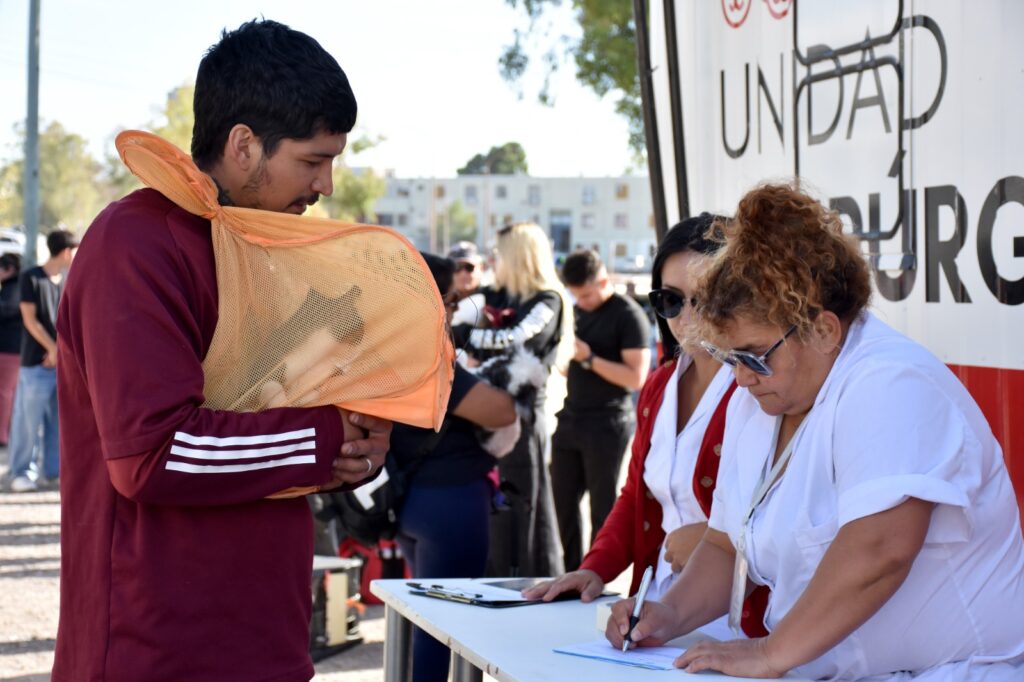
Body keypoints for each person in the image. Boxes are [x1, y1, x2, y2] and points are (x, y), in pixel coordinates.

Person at [53, 20, 393, 681]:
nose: (325, 185)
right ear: (243, 145)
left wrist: (354, 447)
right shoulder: (136, 242)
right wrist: (328, 438)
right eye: (313, 160)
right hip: (155, 649)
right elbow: (150, 453)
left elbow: (273, 419)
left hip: (263, 637)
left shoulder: (259, 248)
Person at [606, 184, 1024, 680]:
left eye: (755, 355)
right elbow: (725, 544)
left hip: (954, 672)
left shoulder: (890, 382)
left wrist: (770, 652)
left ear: (823, 330)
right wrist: (669, 614)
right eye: (731, 357)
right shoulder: (762, 399)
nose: (740, 378)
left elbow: (880, 549)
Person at [525, 215, 767, 639]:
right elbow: (639, 494)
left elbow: (790, 514)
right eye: (671, 300)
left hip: (736, 625)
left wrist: (718, 539)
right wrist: (594, 568)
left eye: (705, 298)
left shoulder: (762, 385)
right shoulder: (661, 383)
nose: (687, 317)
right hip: (655, 615)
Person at [394, 252, 518, 682]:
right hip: (450, 500)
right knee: (446, 625)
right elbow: (499, 411)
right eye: (450, 299)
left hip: (411, 497)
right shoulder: (424, 354)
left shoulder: (384, 344)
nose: (453, 309)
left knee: (423, 616)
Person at [453, 221, 574, 578]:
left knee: (524, 509)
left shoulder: (548, 301)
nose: (492, 260)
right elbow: (456, 325)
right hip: (480, 420)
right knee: (490, 509)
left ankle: (533, 587)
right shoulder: (494, 295)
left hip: (520, 423)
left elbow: (516, 340)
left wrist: (466, 339)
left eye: (498, 253)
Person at [550, 249, 650, 570]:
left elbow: (636, 377)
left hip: (608, 421)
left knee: (602, 508)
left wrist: (589, 358)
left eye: (588, 295)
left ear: (605, 281)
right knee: (561, 502)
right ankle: (570, 572)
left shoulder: (628, 315)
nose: (582, 302)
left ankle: (597, 576)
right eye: (576, 296)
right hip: (571, 415)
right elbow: (569, 366)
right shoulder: (576, 311)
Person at [8, 230, 76, 493]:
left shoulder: (67, 281)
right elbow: (30, 319)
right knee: (27, 422)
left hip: (60, 366)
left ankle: (52, 471)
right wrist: (53, 348)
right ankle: (21, 472)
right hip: (35, 364)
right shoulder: (31, 278)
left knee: (58, 423)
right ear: (66, 251)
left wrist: (61, 353)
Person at [0, 253, 22, 446]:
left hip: (9, 349)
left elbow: (6, 311)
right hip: (13, 348)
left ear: (10, 269)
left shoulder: (13, 289)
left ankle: (3, 435)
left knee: (4, 392)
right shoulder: (11, 287)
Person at [447, 241, 486, 328]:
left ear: (481, 268)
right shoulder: (440, 302)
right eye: (457, 267)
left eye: (469, 267)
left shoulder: (494, 299)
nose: (463, 274)